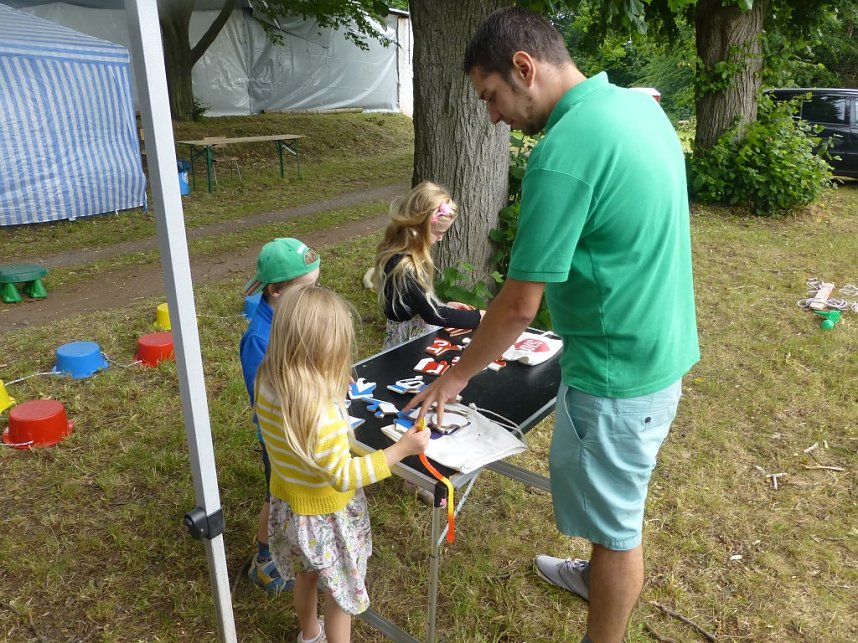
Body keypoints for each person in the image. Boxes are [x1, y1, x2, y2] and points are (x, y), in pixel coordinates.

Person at [407, 8, 699, 643]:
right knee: (613, 508)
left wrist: (455, 377)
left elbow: (519, 305)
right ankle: (594, 575)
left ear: (524, 67)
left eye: (491, 96)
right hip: (660, 346)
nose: (492, 116)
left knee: (618, 531)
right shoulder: (637, 107)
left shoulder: (562, 153)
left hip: (618, 374)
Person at [255, 285, 430, 643]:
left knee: (306, 576)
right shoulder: (321, 414)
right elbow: (344, 475)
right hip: (328, 518)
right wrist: (401, 450)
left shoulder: (267, 382)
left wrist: (330, 382)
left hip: (290, 508)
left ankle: (310, 635)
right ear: (325, 352)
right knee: (341, 595)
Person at [240, 237, 321, 593]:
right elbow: (266, 397)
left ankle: (297, 550)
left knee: (294, 496)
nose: (313, 297)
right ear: (275, 290)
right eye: (306, 289)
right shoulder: (259, 339)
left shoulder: (293, 314)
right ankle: (264, 561)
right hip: (280, 434)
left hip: (304, 423)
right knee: (276, 498)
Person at [373, 180, 484, 350]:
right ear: (418, 229)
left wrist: (445, 306)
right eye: (438, 233)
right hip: (406, 346)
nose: (440, 238)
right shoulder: (402, 267)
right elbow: (433, 315)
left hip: (418, 339)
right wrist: (478, 317)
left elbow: (418, 302)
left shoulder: (408, 257)